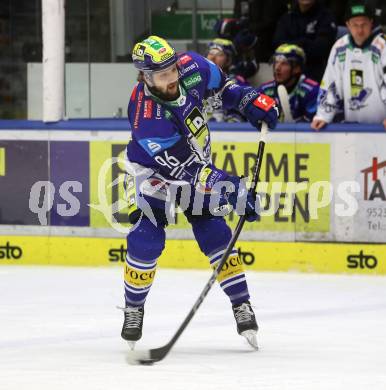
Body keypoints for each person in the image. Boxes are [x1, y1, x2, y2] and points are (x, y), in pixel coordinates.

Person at [121, 35, 279, 349]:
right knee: (146, 239)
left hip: (197, 164)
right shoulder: (146, 118)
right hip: (154, 175)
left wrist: (250, 101)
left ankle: (241, 304)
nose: (172, 78)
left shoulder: (189, 65)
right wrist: (232, 189)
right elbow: (189, 171)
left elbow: (224, 87)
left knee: (215, 233)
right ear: (144, 76)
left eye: (171, 69)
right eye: (162, 75)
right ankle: (133, 307)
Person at [311, 1, 386, 130]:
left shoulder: (382, 46)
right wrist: (323, 115)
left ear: (371, 23)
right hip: (352, 128)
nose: (360, 30)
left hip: (382, 127)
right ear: (347, 25)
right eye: (355, 25)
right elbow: (331, 83)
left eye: (364, 24)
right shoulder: (340, 48)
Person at [273, 0, 337, 82]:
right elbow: (277, 44)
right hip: (287, 75)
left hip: (315, 76)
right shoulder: (288, 16)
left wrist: (294, 44)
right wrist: (304, 43)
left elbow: (320, 49)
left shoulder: (326, 16)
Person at [257, 44, 319, 122]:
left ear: (297, 68)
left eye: (284, 63)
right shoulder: (264, 90)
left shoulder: (311, 91)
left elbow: (313, 128)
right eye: (276, 62)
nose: (277, 68)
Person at [205, 38, 248, 122]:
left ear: (228, 60)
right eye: (211, 52)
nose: (212, 57)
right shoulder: (196, 79)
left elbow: (240, 114)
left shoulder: (237, 82)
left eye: (219, 54)